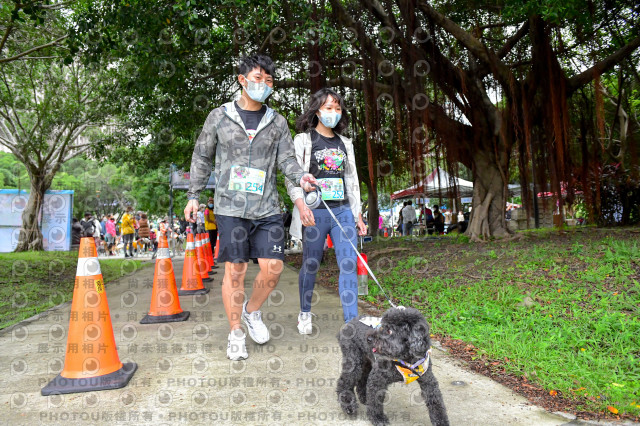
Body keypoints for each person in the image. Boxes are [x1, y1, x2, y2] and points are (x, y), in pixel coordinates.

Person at [184, 53, 316, 361]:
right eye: (258, 79)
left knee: (273, 267)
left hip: (267, 206)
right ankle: (236, 333)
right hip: (230, 207)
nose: (264, 85)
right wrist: (195, 195)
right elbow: (202, 156)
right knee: (236, 270)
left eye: (269, 81)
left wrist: (302, 176)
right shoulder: (219, 116)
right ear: (242, 80)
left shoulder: (277, 121)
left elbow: (286, 160)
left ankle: (251, 311)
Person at [286, 87, 367, 333]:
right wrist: (301, 206)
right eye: (328, 107)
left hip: (342, 211)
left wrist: (358, 215)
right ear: (317, 111)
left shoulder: (346, 143)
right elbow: (292, 178)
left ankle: (351, 322)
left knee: (348, 263)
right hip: (315, 213)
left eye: (337, 108)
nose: (333, 112)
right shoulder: (303, 140)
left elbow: (351, 180)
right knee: (311, 263)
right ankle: (305, 313)